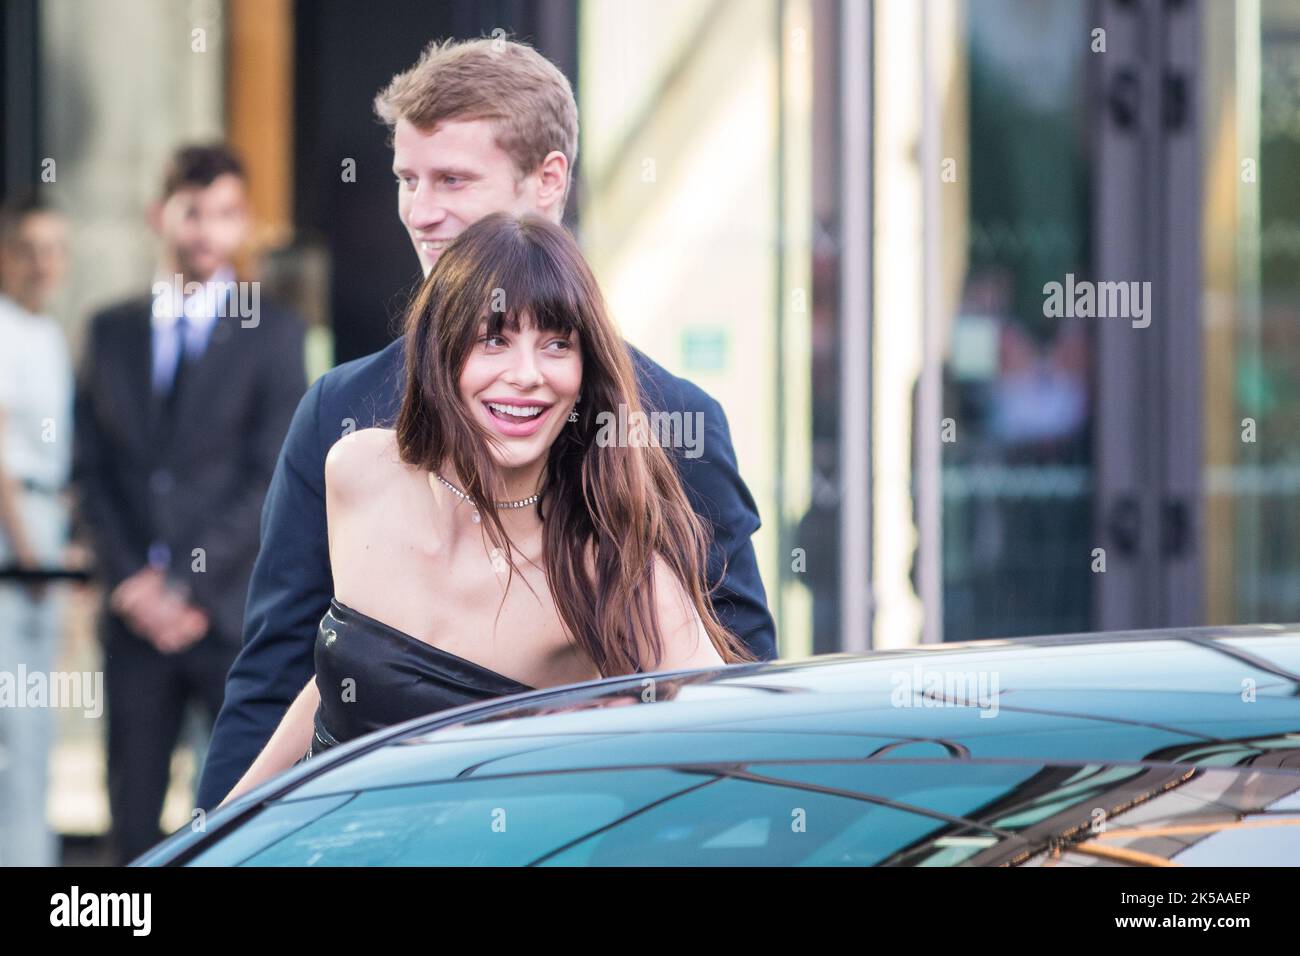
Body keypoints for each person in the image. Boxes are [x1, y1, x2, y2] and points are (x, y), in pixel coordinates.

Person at [196, 36, 776, 812]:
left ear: (548, 182)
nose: (421, 212)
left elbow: (738, 694)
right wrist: (212, 835)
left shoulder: (674, 422)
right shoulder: (340, 419)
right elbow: (281, 675)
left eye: (452, 180)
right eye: (407, 179)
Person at [72, 144, 306, 863]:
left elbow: (271, 474)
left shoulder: (275, 331)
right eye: (193, 211)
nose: (206, 231)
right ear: (159, 216)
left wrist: (188, 585)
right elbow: (90, 473)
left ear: (245, 227)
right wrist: (135, 586)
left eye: (226, 215)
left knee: (239, 822)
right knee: (131, 824)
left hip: (230, 616)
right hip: (135, 622)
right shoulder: (109, 330)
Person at [0, 194, 74, 866]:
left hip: (45, 524)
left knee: (35, 720)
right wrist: (32, 560)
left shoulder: (47, 333)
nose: (44, 264)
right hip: (15, 535)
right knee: (15, 722)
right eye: (30, 249)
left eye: (55, 250)